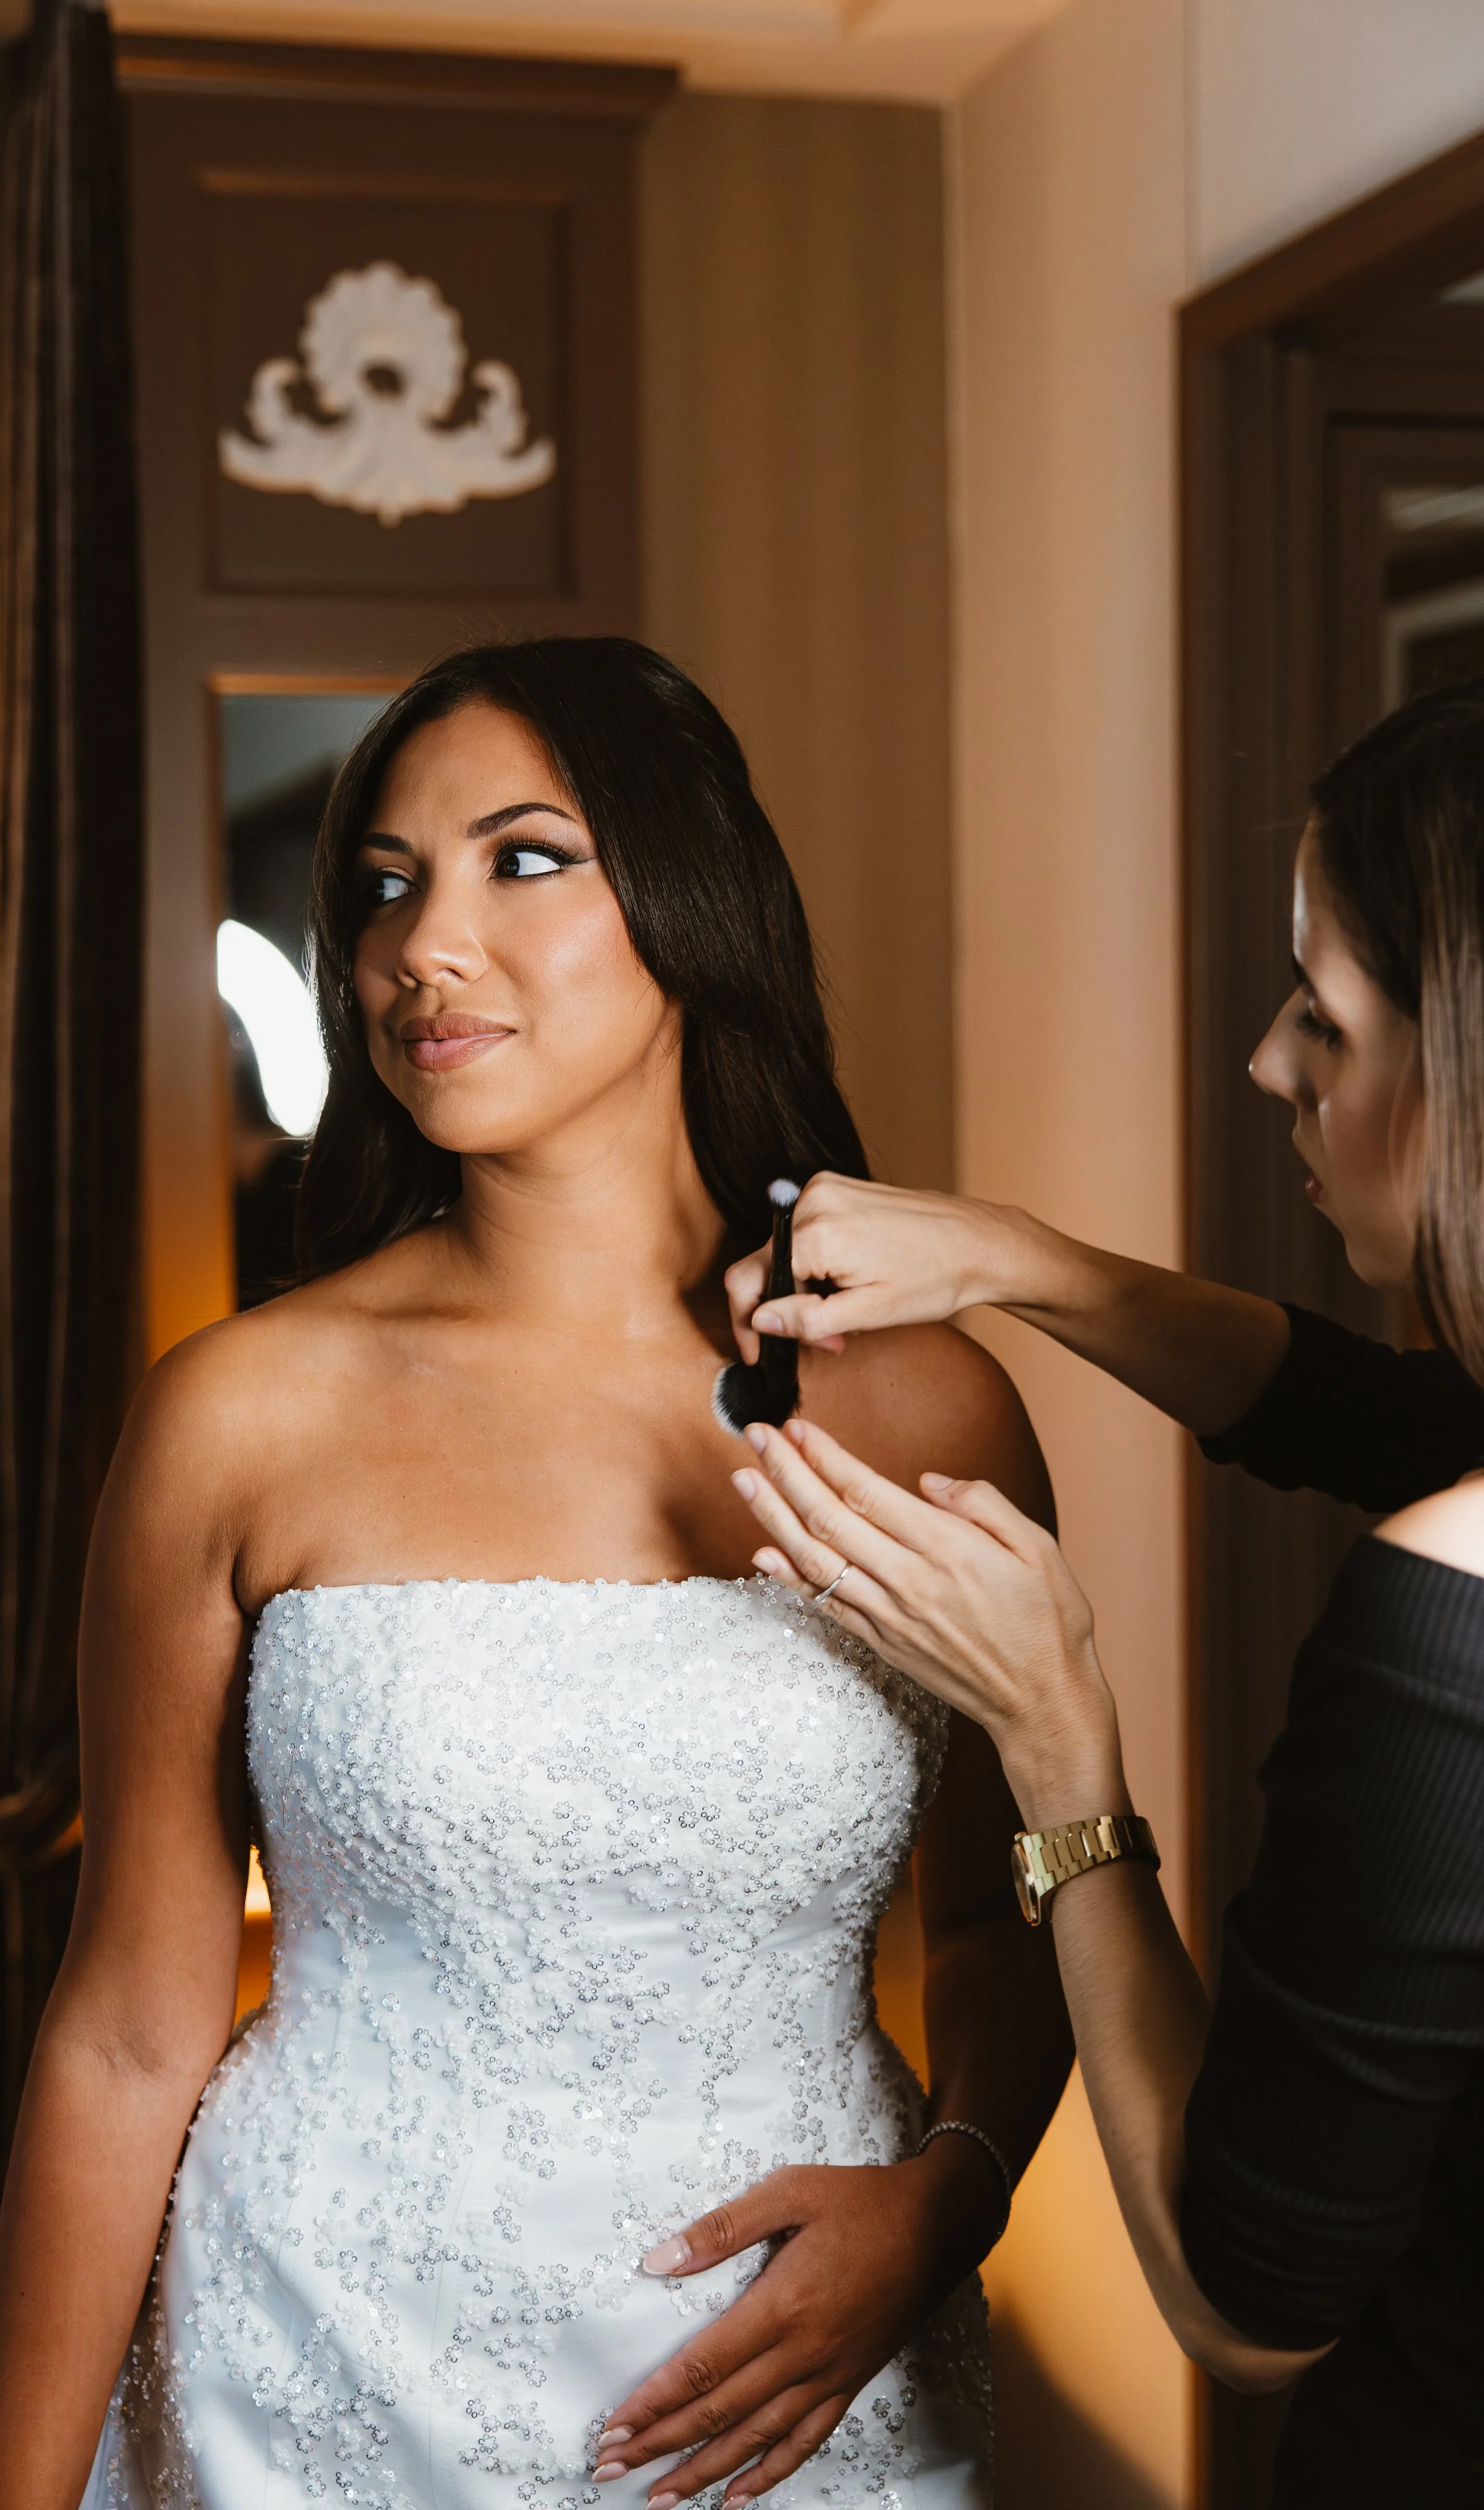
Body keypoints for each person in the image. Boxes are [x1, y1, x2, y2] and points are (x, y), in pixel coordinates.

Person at [0, 638, 1075, 2510]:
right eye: (385, 886)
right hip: (302, 2358)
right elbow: (129, 2022)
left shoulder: (920, 1396)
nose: (423, 945)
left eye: (522, 856)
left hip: (789, 2369)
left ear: (691, 897)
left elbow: (1011, 1917)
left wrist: (944, 2199)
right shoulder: (237, 1412)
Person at [650, 678, 1484, 2506]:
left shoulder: (1450, 1614)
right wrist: (1028, 1262)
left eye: (1322, 1017)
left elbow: (1247, 2303)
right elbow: (1390, 1410)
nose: (1271, 1064)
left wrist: (1058, 1753)